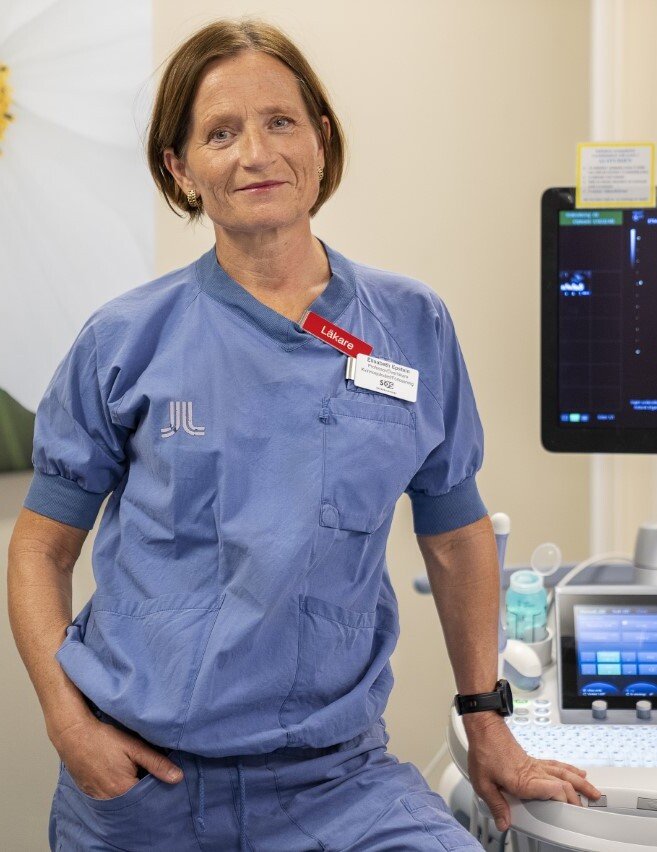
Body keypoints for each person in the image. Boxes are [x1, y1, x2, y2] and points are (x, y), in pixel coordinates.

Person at [8, 17, 600, 852]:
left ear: (321, 141)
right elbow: (39, 549)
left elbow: (456, 535)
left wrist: (485, 720)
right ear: (180, 169)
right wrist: (68, 726)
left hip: (338, 782)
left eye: (280, 121)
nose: (256, 153)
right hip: (146, 786)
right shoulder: (123, 342)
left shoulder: (410, 325)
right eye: (220, 133)